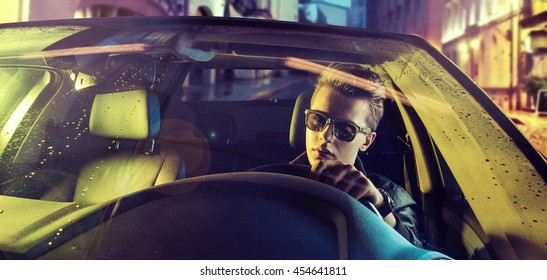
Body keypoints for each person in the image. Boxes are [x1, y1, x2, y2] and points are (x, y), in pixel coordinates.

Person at [290, 63, 422, 247]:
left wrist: (380, 207)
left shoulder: (391, 197)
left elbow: (417, 259)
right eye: (317, 119)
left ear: (367, 141)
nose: (325, 136)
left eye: (345, 129)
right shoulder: (269, 181)